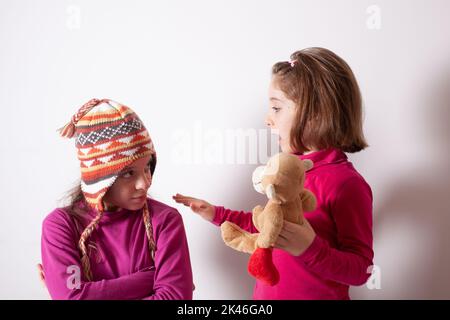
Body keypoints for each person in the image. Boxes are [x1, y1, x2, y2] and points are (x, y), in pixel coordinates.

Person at [174, 47, 374, 300]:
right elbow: (269, 224)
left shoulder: (346, 184)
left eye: (277, 108)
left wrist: (311, 249)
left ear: (315, 114)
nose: (268, 119)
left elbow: (362, 270)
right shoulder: (288, 171)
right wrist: (217, 214)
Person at [40, 98, 193, 299]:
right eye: (128, 173)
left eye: (147, 167)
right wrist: (149, 279)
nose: (145, 183)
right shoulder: (61, 226)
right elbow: (71, 297)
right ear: (99, 178)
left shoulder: (165, 221)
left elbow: (176, 298)